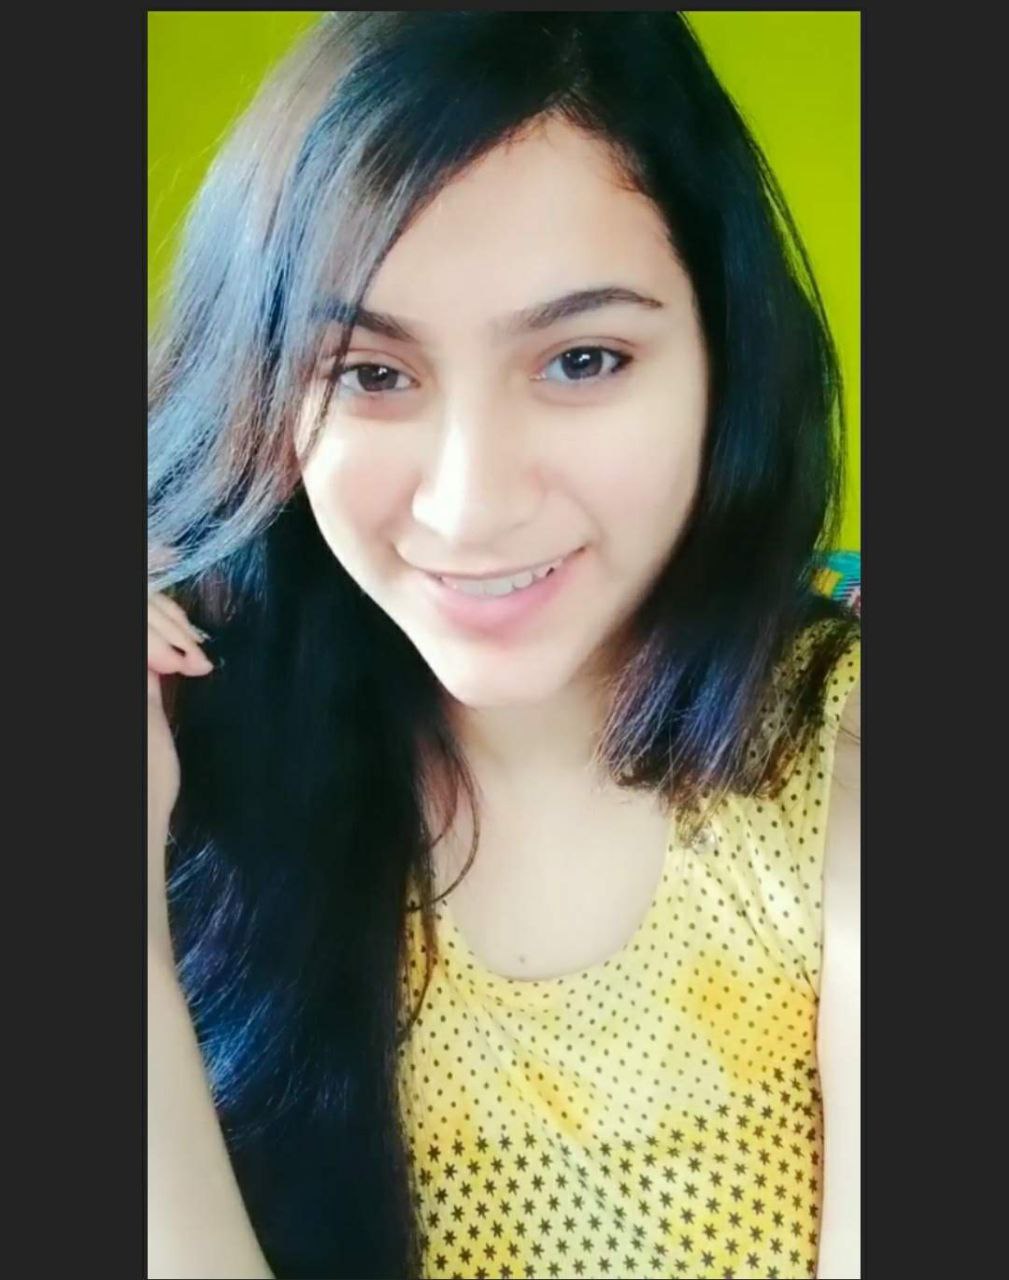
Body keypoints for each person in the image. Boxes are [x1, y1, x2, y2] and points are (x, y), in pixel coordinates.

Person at [147, 12, 860, 1280]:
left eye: (582, 358)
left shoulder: (844, 747)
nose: (468, 508)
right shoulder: (188, 772)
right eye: (370, 374)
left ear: (726, 352)